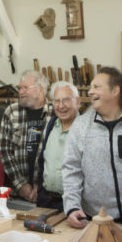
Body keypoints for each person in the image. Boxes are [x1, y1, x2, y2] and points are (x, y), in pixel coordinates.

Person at [62, 67, 122, 234]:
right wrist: (72, 207)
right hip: (92, 219)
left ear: (115, 91)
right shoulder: (80, 126)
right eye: (91, 87)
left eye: (97, 87)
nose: (90, 91)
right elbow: (71, 170)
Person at [0, 70, 54, 202]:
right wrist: (21, 184)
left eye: (25, 88)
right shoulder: (12, 111)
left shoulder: (55, 112)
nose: (20, 92)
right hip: (18, 195)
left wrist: (40, 186)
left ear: (40, 89)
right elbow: (4, 151)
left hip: (49, 195)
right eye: (19, 88)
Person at [36, 81, 81, 211]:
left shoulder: (86, 129)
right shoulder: (51, 125)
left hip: (74, 204)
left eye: (66, 100)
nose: (61, 106)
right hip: (46, 201)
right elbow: (42, 163)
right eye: (57, 101)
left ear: (78, 102)